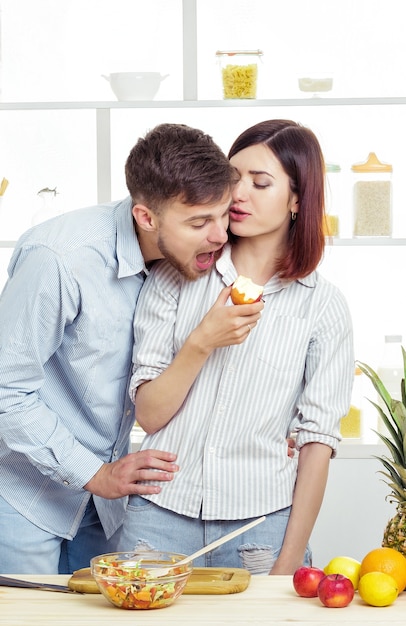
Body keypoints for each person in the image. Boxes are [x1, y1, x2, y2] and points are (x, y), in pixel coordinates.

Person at [118, 119, 355, 575]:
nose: (239, 193)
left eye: (260, 182)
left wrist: (288, 563)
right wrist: (202, 341)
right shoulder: (177, 275)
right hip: (160, 513)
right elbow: (148, 414)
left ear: (297, 199)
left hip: (261, 527)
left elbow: (316, 444)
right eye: (234, 177)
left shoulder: (322, 306)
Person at [0, 123, 238, 574]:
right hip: (24, 498)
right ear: (146, 217)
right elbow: (5, 391)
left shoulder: (182, 266)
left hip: (104, 506)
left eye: (223, 215)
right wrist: (95, 474)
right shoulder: (61, 259)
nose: (220, 235)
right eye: (199, 222)